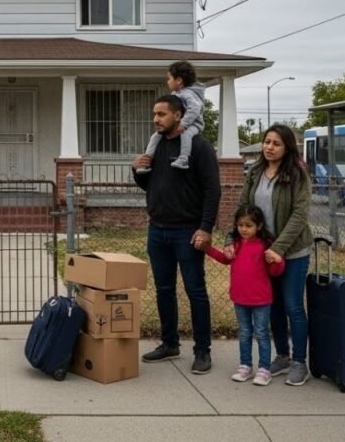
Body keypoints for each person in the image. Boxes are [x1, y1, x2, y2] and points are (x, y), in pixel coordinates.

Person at [132, 94, 221, 374]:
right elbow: (152, 186)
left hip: (188, 231)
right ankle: (170, 344)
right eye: (154, 114)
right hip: (157, 230)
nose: (156, 119)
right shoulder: (156, 146)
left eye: (161, 114)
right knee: (164, 290)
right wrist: (137, 170)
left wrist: (205, 228)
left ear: (178, 115)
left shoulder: (198, 146)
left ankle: (202, 351)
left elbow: (212, 190)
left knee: (196, 291)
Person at [225, 124, 313, 386]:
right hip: (265, 252)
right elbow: (243, 208)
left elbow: (300, 215)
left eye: (276, 143)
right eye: (267, 142)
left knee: (292, 306)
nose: (269, 147)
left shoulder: (297, 175)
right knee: (272, 305)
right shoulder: (254, 172)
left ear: (287, 147)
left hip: (293, 251)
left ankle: (300, 362)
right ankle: (282, 356)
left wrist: (278, 248)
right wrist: (231, 238)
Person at [203, 205, 285, 386]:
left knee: (262, 333)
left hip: (261, 299)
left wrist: (278, 261)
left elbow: (275, 271)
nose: (244, 229)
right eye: (240, 225)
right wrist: (208, 249)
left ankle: (264, 368)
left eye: (248, 225)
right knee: (245, 332)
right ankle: (245, 365)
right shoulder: (236, 245)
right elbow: (225, 259)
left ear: (259, 226)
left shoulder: (266, 245)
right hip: (240, 297)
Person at [137, 60, 205, 172]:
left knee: (185, 134)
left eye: (169, 78)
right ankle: (147, 160)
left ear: (178, 80)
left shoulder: (189, 94)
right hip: (184, 123)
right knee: (155, 136)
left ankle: (183, 158)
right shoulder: (175, 94)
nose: (167, 81)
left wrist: (184, 123)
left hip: (194, 124)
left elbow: (195, 109)